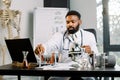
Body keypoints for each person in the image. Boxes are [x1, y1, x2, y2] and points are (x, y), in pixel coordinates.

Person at [35, 10, 99, 80]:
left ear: (80, 22)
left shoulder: (89, 36)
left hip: (83, 72)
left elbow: (97, 58)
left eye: (73, 22)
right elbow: (49, 45)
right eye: (68, 22)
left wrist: (91, 52)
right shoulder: (59, 35)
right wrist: (42, 48)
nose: (70, 24)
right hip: (64, 72)